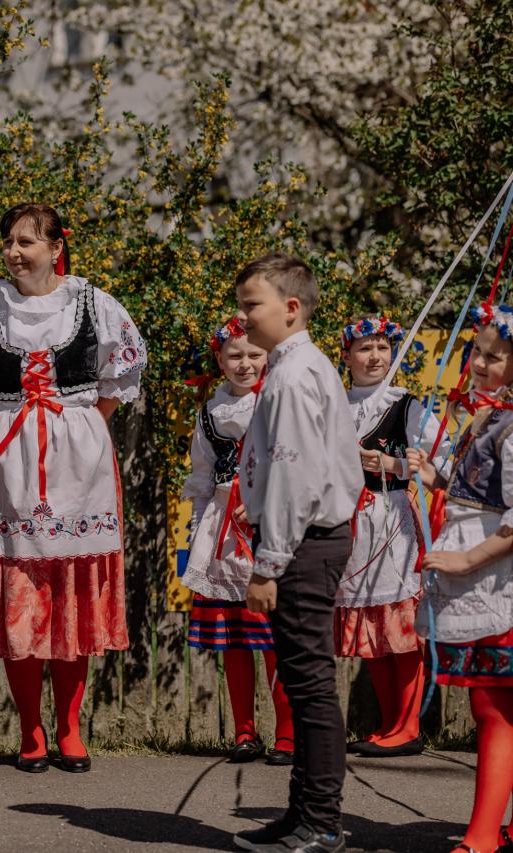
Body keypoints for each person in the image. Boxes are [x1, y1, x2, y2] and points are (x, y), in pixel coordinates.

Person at [0, 202, 146, 773]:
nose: (13, 251)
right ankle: (31, 730)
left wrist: (80, 426)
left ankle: (70, 730)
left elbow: (116, 381)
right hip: (7, 463)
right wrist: (9, 420)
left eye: (26, 241)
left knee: (70, 597)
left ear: (56, 247)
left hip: (78, 462)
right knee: (20, 598)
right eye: (8, 241)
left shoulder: (95, 304)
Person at [230, 253, 361, 853]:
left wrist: (269, 564)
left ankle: (322, 822)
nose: (242, 316)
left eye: (251, 304)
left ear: (290, 307)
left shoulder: (291, 375)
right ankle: (301, 812)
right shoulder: (295, 367)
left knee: (309, 685)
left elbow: (295, 478)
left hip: (304, 544)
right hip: (305, 541)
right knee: (301, 678)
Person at [408, 303, 513, 853]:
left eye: (496, 357)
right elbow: (479, 490)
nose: (480, 363)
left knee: (495, 706)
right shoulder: (484, 417)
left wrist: (466, 560)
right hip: (483, 573)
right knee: (494, 705)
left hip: (499, 577)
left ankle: (482, 836)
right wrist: (435, 476)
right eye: (478, 352)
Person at [181, 317, 294, 766]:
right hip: (224, 534)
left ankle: (288, 733)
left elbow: (296, 465)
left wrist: (264, 500)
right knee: (236, 639)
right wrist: (199, 531)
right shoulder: (211, 412)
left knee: (276, 639)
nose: (245, 363)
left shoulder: (279, 403)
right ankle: (245, 731)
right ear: (220, 359)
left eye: (254, 354)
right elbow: (202, 476)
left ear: (268, 356)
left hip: (271, 529)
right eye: (235, 355)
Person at [337, 316, 442, 758]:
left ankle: (408, 725)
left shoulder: (406, 406)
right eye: (365, 348)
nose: (375, 356)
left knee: (400, 624)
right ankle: (388, 724)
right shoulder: (334, 406)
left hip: (392, 519)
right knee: (372, 625)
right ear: (346, 356)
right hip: (351, 522)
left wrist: (395, 465)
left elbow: (440, 463)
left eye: (383, 347)